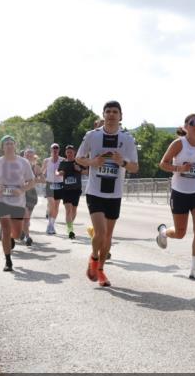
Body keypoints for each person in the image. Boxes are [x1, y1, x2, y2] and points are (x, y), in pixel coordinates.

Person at [74, 101, 138, 287]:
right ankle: (94, 258)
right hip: (95, 191)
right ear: (103, 115)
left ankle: (101, 270)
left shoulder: (127, 139)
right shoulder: (92, 135)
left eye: (115, 112)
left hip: (115, 194)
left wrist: (122, 162)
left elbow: (135, 167)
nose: (111, 115)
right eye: (108, 111)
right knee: (100, 232)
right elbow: (78, 158)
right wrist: (93, 162)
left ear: (120, 116)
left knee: (108, 237)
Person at [155, 113, 195, 280]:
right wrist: (179, 169)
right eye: (192, 122)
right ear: (186, 126)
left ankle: (194, 269)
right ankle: (163, 232)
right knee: (180, 233)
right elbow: (163, 163)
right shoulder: (178, 143)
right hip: (179, 192)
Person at [0, 135, 33, 272]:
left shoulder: (24, 162)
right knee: (6, 229)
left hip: (18, 201)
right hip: (1, 200)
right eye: (6, 143)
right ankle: (8, 261)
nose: (9, 145)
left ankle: (12, 238)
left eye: (11, 143)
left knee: (16, 234)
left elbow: (32, 181)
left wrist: (22, 190)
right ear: (2, 147)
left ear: (15, 146)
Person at [56, 144, 84, 239]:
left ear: (74, 152)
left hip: (76, 189)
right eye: (68, 152)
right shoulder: (63, 163)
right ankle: (70, 230)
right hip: (66, 189)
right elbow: (58, 171)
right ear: (65, 153)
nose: (69, 154)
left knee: (74, 210)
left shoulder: (78, 161)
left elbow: (87, 171)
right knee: (68, 210)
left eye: (71, 152)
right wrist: (59, 173)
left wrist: (79, 169)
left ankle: (70, 224)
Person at [42, 143, 64, 235]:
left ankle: (51, 225)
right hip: (49, 184)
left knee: (56, 206)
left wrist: (61, 173)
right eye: (53, 148)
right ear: (50, 150)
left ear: (59, 150)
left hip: (59, 184)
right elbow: (42, 172)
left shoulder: (63, 160)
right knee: (52, 204)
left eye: (56, 148)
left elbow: (65, 171)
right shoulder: (46, 160)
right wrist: (42, 178)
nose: (55, 150)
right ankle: (50, 225)